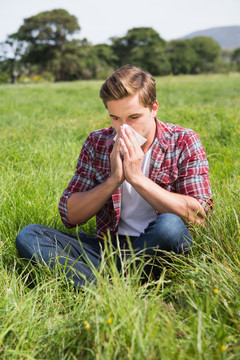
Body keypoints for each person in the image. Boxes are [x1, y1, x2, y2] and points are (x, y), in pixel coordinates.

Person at [16, 65, 213, 288]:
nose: (124, 128)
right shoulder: (98, 142)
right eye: (116, 118)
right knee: (30, 235)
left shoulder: (183, 140)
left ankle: (98, 284)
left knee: (170, 226)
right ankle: (116, 285)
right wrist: (114, 180)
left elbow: (199, 217)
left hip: (158, 246)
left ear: (154, 108)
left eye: (134, 117)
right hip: (110, 248)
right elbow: (70, 216)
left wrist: (137, 179)